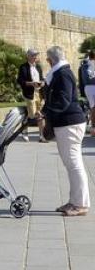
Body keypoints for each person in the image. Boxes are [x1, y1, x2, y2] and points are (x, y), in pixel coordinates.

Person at [43, 45, 90, 217]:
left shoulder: (62, 74)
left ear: (50, 60)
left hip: (70, 124)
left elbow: (62, 101)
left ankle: (80, 204)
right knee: (72, 165)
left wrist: (45, 113)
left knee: (74, 165)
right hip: (68, 124)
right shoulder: (61, 72)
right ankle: (75, 202)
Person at [17, 49, 45, 142]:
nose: (35, 57)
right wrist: (31, 83)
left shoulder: (38, 67)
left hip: (39, 93)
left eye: (36, 55)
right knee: (32, 115)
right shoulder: (23, 67)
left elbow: (41, 78)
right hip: (29, 93)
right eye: (33, 55)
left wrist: (42, 83)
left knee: (40, 114)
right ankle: (24, 129)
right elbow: (20, 81)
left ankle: (41, 136)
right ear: (28, 56)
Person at [78, 50, 95, 136]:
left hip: (88, 88)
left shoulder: (84, 66)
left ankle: (93, 128)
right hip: (91, 87)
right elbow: (89, 78)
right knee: (93, 108)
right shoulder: (87, 65)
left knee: (92, 108)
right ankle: (93, 128)